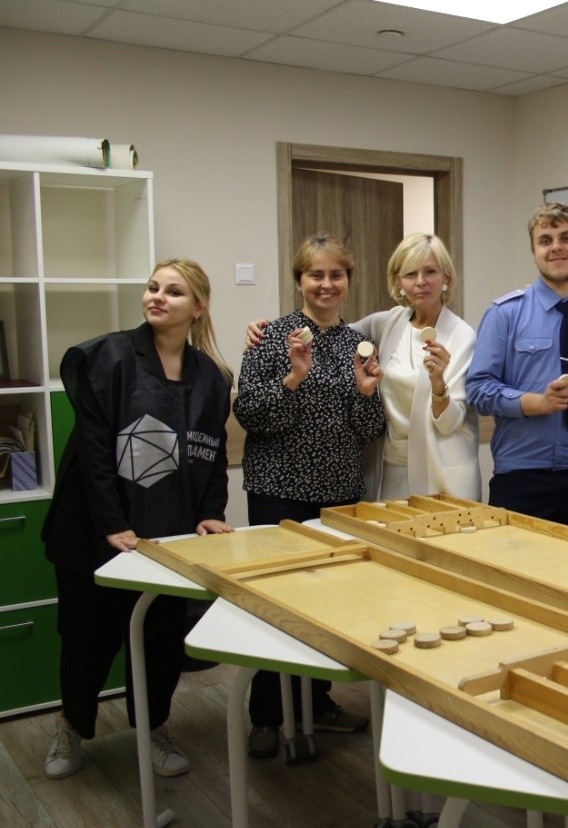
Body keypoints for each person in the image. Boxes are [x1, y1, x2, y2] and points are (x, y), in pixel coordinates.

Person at [41, 259, 234, 780]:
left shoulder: (211, 377)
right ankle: (71, 726)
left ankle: (154, 727)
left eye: (173, 292)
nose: (157, 297)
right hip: (94, 529)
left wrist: (210, 513)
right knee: (86, 639)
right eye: (153, 288)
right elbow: (93, 451)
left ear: (198, 307)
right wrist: (111, 522)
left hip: (167, 534)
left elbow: (211, 453)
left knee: (159, 639)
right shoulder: (106, 358)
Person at [234, 233, 385, 759]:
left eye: (335, 275)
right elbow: (250, 415)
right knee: (276, 604)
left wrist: (365, 395)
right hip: (278, 491)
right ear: (299, 280)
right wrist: (294, 378)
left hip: (338, 495)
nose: (326, 284)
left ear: (348, 281)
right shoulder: (271, 337)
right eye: (315, 275)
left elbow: (370, 429)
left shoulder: (357, 344)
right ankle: (266, 714)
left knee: (328, 606)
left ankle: (317, 702)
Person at [466, 202, 568, 532]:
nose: (556, 247)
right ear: (534, 252)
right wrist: (535, 403)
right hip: (521, 475)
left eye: (566, 238)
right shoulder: (504, 314)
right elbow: (477, 389)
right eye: (545, 240)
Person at [353, 233, 480, 500]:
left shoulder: (462, 336)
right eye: (410, 274)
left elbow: (450, 424)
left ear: (446, 278)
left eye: (430, 272)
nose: (420, 281)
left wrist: (438, 386)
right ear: (399, 282)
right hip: (392, 467)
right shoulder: (387, 323)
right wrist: (270, 332)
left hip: (442, 471)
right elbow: (332, 332)